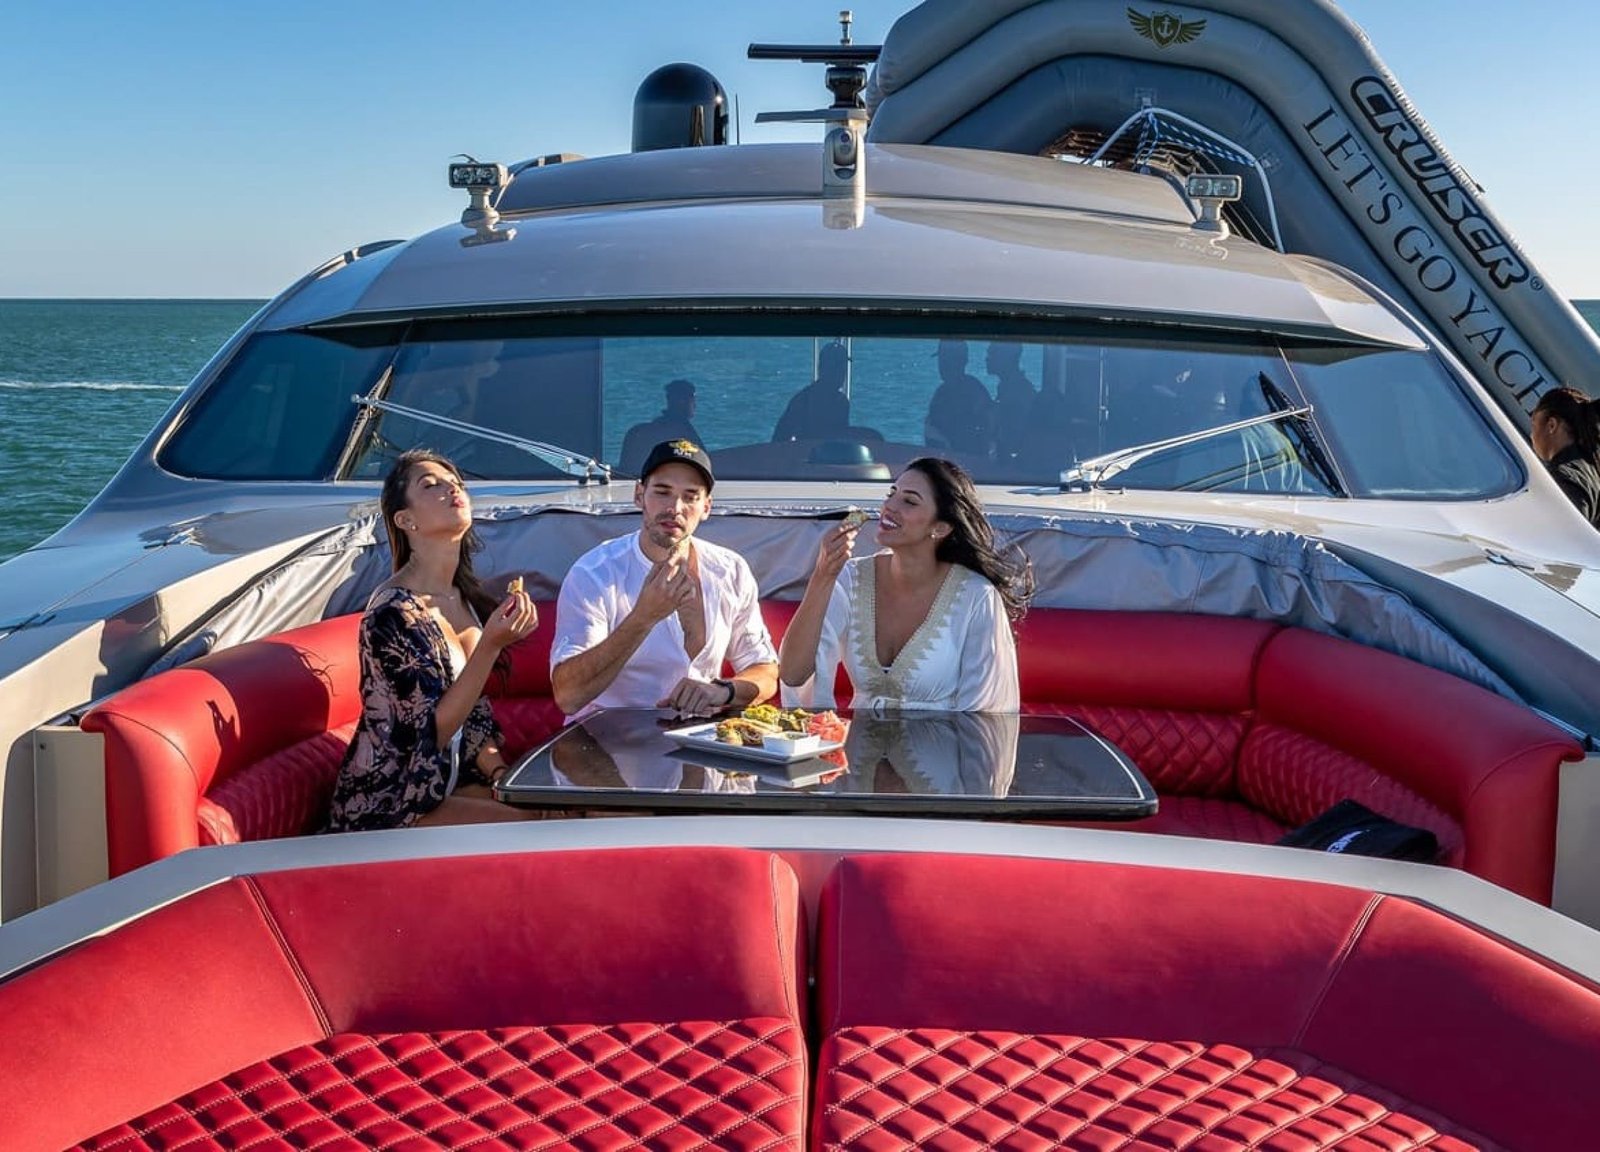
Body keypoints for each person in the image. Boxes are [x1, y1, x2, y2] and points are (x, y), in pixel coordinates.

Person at [328, 450, 538, 831]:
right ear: (405, 520)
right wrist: (490, 645)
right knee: (535, 830)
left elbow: (474, 714)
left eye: (455, 482)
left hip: (444, 784)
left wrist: (502, 775)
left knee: (564, 813)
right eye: (430, 485)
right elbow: (427, 735)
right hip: (391, 801)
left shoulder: (461, 598)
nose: (451, 488)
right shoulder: (391, 613)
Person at [551, 438, 780, 720]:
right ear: (639, 495)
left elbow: (766, 671)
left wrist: (722, 691)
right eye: (662, 492)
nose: (676, 507)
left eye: (691, 496)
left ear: (706, 507)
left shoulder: (731, 570)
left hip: (701, 743)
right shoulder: (595, 573)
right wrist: (643, 617)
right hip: (605, 744)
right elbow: (568, 696)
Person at [779, 456, 1031, 712]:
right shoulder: (850, 578)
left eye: (909, 501)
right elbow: (793, 675)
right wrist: (823, 575)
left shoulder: (977, 597)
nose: (889, 506)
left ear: (941, 528)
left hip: (943, 748)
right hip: (856, 748)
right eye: (891, 493)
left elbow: (986, 713)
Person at [1531, 386, 1600, 526]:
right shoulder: (1590, 471)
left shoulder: (1565, 479)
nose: (1532, 435)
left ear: (1551, 425)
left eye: (1534, 425)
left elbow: (1559, 538)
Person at [924, 339, 996, 455]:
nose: (942, 365)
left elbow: (987, 430)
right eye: (941, 360)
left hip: (967, 461)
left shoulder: (975, 392)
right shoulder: (942, 392)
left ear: (962, 361)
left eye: (948, 360)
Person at [620, 379, 705, 476]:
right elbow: (701, 463)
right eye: (692, 398)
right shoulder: (682, 432)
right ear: (682, 401)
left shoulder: (637, 432)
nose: (695, 404)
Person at [772, 341, 851, 442]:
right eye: (835, 367)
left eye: (842, 367)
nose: (841, 372)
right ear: (821, 368)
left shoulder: (842, 403)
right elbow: (779, 440)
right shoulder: (802, 401)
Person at [986, 341, 1036, 461]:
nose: (987, 359)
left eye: (993, 354)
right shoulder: (1007, 387)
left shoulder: (1019, 391)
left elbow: (1015, 433)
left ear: (1008, 358)